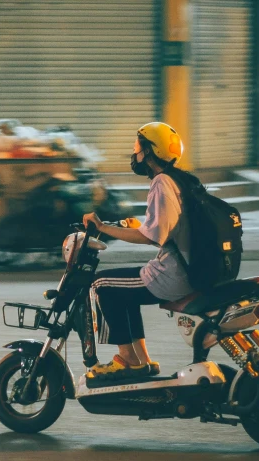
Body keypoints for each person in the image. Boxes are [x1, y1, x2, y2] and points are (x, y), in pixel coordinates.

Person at [82, 122, 195, 379]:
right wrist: (139, 226)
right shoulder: (181, 180)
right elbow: (164, 231)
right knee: (123, 290)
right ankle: (141, 361)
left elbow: (152, 237)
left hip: (173, 274)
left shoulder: (161, 183)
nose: (134, 153)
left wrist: (102, 227)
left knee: (101, 284)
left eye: (137, 147)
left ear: (150, 151)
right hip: (186, 268)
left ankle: (128, 359)